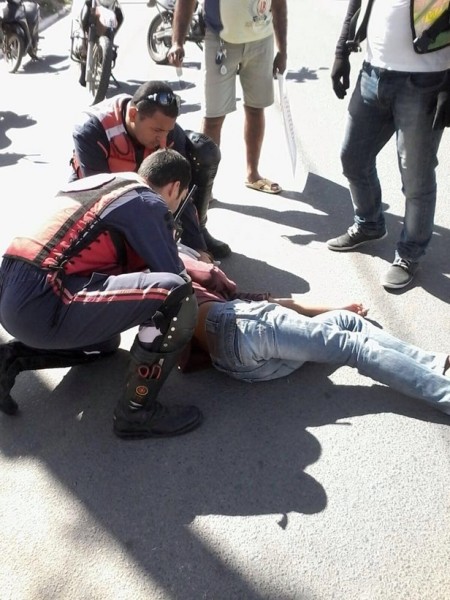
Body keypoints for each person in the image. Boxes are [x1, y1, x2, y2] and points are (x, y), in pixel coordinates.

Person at [0, 149, 204, 439]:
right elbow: (174, 277)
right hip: (45, 301)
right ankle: (135, 413)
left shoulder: (105, 183)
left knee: (105, 342)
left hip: (10, 287)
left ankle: (12, 357)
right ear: (174, 188)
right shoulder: (147, 200)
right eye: (179, 200)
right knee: (178, 295)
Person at [178, 253, 450, 417]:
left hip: (239, 365)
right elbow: (212, 274)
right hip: (239, 326)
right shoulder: (171, 256)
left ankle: (431, 363)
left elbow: (262, 302)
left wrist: (334, 308)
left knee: (347, 321)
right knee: (354, 348)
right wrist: (204, 257)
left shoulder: (150, 286)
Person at [326, 0, 450, 290]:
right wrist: (341, 50)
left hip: (425, 82)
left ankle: (410, 253)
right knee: (353, 157)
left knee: (415, 177)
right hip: (372, 73)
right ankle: (369, 224)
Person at [70, 79, 231, 261]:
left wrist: (197, 247)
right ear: (132, 115)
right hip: (97, 192)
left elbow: (180, 193)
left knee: (201, 153)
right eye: (157, 130)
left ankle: (200, 230)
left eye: (167, 132)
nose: (163, 142)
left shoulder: (170, 133)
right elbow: (100, 200)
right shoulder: (92, 130)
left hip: (141, 183)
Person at [168, 0, 287, 195]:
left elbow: (279, 4)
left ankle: (253, 174)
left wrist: (282, 50)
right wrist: (177, 42)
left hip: (261, 39)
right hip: (220, 40)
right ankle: (203, 189)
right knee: (213, 117)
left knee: (256, 108)